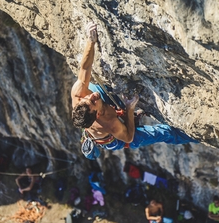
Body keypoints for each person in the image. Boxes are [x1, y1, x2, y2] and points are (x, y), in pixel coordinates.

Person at [70, 23, 198, 159]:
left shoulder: (78, 95)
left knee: (95, 85)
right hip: (118, 139)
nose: (93, 96)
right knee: (165, 133)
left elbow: (85, 68)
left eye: (88, 98)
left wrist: (91, 40)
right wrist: (129, 110)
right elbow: (128, 137)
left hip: (102, 115)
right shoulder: (110, 125)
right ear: (97, 114)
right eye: (93, 102)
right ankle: (197, 136)